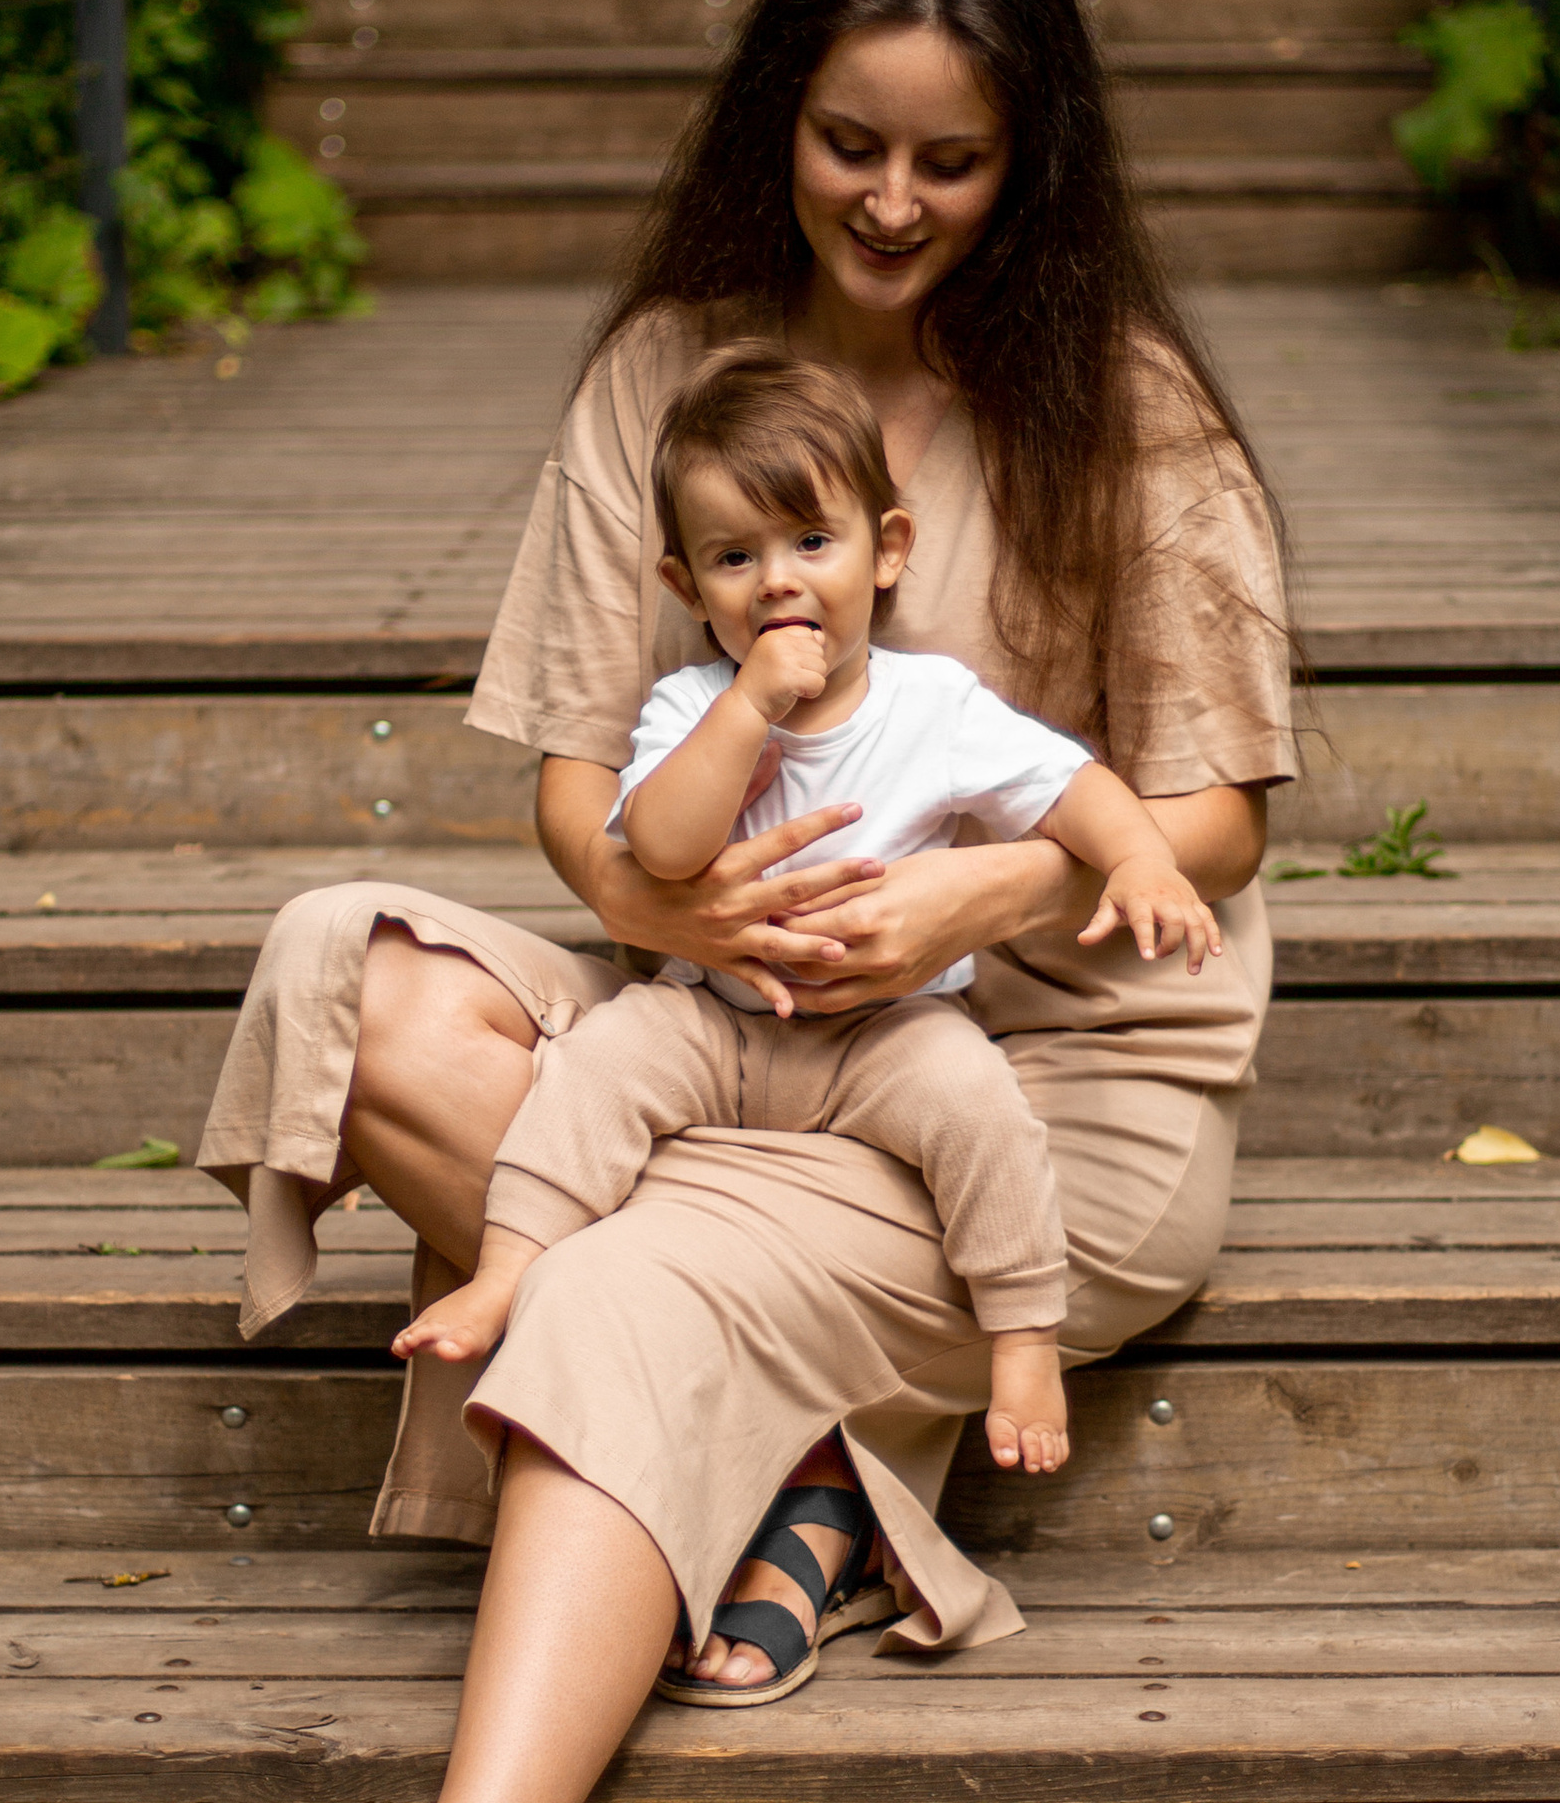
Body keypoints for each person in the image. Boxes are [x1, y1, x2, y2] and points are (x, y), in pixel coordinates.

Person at [68, 0, 1294, 1803]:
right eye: (853, 142)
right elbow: (557, 783)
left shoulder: (1118, 407)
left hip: (1042, 1101)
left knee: (622, 1274)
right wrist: (671, 897)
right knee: (355, 968)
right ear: (780, 114)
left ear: (1029, 154)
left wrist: (980, 885)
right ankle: (812, 1477)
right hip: (726, 1029)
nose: (898, 199)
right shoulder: (667, 375)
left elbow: (1217, 812)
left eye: (952, 156)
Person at [403, 342, 1224, 1529]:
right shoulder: (689, 706)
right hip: (717, 1023)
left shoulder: (931, 704)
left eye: (811, 545)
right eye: (737, 558)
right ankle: (510, 1267)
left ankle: (1023, 1331)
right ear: (688, 588)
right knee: (593, 1069)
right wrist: (749, 708)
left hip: (887, 1030)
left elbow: (1069, 786)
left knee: (980, 1108)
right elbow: (666, 850)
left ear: (886, 553)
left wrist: (1140, 853)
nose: (778, 582)